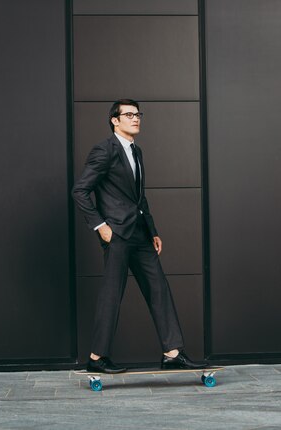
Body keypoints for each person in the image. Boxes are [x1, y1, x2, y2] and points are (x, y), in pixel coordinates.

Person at [73, 99, 207, 373]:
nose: (136, 119)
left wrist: (153, 231)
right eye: (129, 114)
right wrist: (101, 226)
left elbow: (138, 197)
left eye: (138, 114)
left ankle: (172, 353)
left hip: (140, 234)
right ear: (114, 120)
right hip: (117, 234)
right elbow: (80, 191)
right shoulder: (104, 150)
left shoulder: (137, 151)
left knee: (158, 288)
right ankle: (97, 358)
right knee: (112, 294)